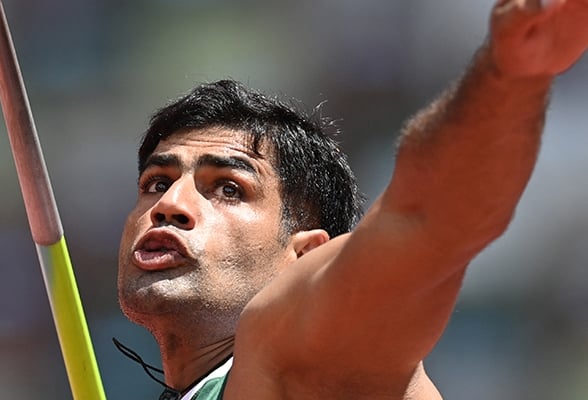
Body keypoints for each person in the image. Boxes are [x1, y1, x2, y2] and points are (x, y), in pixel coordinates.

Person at [116, 0, 588, 399]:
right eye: (157, 182)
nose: (170, 203)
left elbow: (423, 221)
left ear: (306, 255)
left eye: (229, 189)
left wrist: (510, 75)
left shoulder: (303, 354)